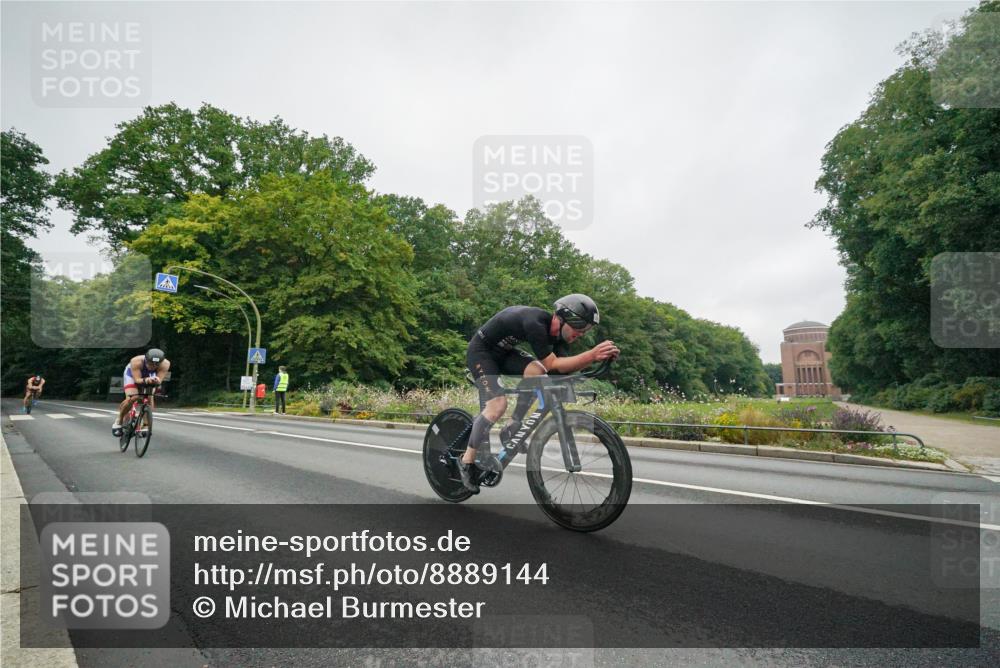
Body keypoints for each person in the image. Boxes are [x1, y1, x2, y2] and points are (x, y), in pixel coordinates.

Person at [461, 294, 619, 493]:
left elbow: (558, 371)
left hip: (504, 353)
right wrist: (592, 354)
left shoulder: (558, 337)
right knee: (497, 406)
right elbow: (553, 364)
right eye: (579, 326)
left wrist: (597, 360)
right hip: (481, 352)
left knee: (538, 372)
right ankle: (467, 462)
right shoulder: (534, 322)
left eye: (585, 329)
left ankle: (512, 426)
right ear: (561, 318)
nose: (581, 333)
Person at [112, 348, 170, 436]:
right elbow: (137, 380)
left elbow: (159, 380)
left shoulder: (165, 364)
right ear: (146, 360)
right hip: (132, 376)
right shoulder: (136, 361)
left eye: (156, 365)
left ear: (160, 363)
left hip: (150, 376)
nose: (153, 366)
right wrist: (146, 380)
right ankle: (119, 420)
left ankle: (146, 425)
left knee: (150, 397)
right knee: (134, 397)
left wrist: (156, 381)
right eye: (150, 363)